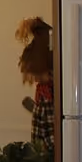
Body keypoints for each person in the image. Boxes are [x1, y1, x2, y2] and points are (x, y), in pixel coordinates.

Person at [17, 17, 53, 149]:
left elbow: (52, 141)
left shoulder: (51, 94)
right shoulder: (43, 92)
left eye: (32, 73)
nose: (32, 78)